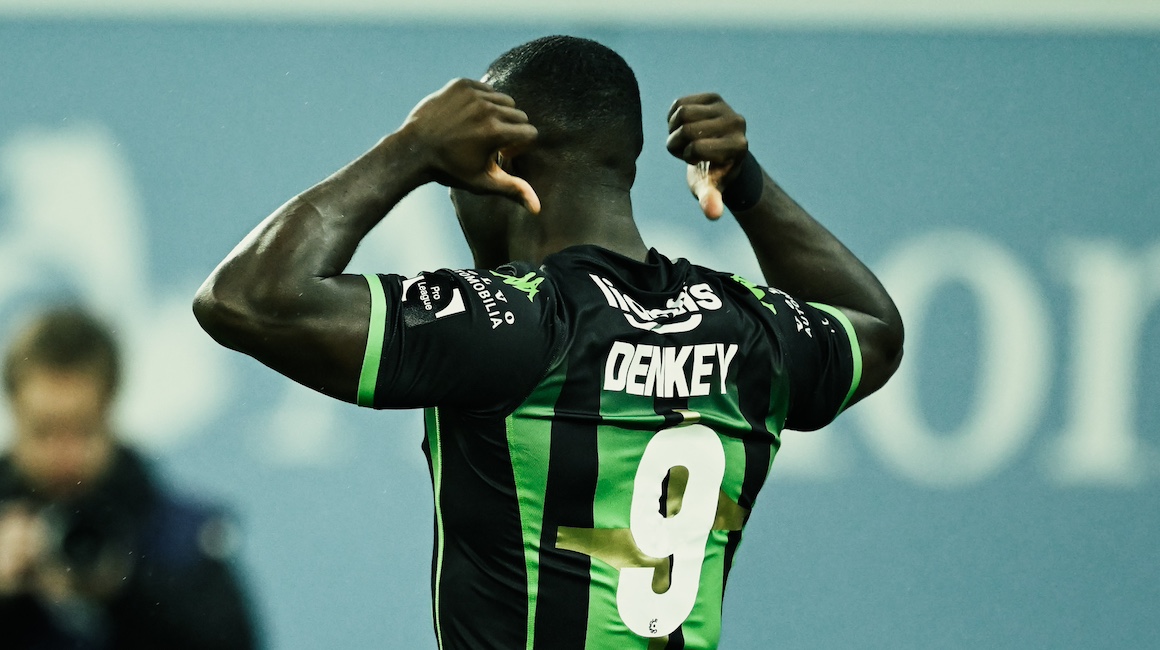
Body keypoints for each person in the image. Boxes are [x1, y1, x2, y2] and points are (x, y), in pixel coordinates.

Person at [194, 35, 903, 650]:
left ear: (503, 161)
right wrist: (748, 185)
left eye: (454, 179)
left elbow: (243, 299)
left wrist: (412, 149)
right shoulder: (751, 326)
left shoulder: (520, 323)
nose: (454, 197)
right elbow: (874, 328)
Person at [0, 307, 259, 649]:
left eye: (81, 430)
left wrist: (126, 590)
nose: (64, 455)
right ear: (15, 415)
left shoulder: (181, 536)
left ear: (110, 410)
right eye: (44, 430)